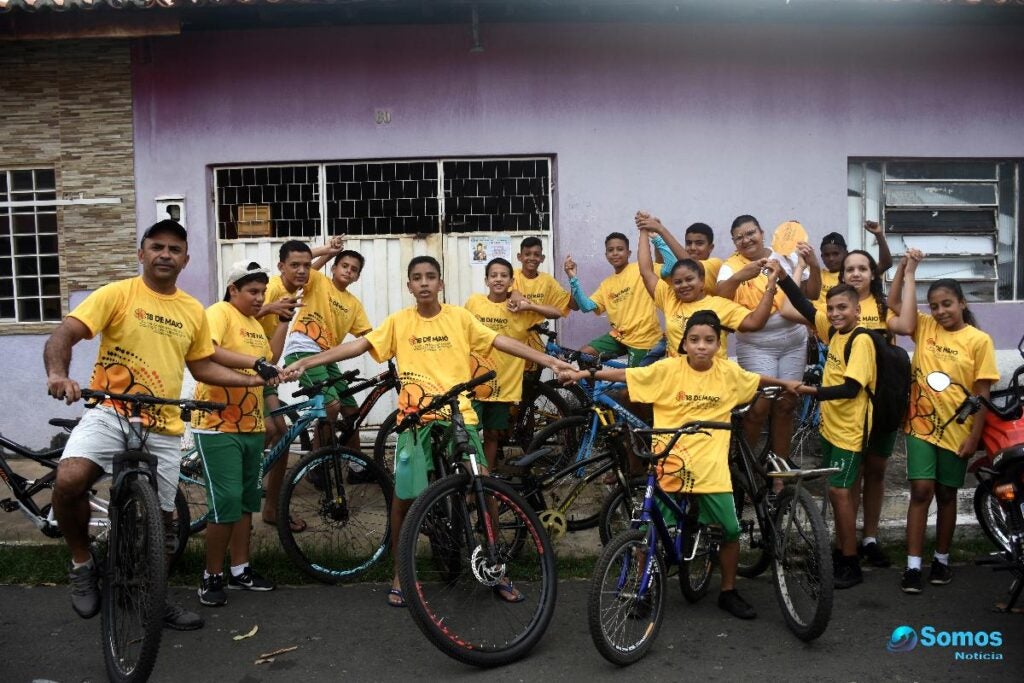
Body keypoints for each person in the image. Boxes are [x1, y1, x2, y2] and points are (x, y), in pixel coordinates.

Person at [284, 255, 573, 607]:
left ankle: (497, 568)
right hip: (414, 418)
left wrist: (550, 361)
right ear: (409, 286)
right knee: (404, 500)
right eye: (417, 278)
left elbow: (500, 341)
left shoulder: (459, 318)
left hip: (459, 414)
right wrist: (307, 361)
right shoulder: (398, 322)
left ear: (440, 284)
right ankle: (400, 572)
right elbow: (358, 345)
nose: (423, 283)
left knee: (484, 484)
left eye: (430, 277)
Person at [44, 220, 275, 630]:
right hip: (110, 409)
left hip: (164, 424)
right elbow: (65, 334)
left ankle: (151, 599)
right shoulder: (117, 294)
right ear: (141, 253)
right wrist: (59, 374)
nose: (165, 254)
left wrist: (251, 380)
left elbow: (202, 364)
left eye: (174, 249)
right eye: (157, 247)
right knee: (68, 480)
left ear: (185, 259)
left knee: (164, 527)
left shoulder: (190, 309)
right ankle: (81, 563)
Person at [558, 311, 801, 619]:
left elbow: (758, 380)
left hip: (712, 466)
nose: (701, 346)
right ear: (684, 343)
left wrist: (787, 384)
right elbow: (627, 376)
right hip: (669, 463)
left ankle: (728, 590)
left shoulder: (728, 372)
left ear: (718, 344)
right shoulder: (667, 369)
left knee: (728, 529)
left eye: (709, 341)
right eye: (695, 340)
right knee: (649, 533)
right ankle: (642, 590)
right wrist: (585, 375)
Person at [779, 273, 918, 588]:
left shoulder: (863, 339)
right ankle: (842, 551)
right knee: (837, 490)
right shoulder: (833, 332)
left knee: (842, 493)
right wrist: (781, 275)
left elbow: (851, 387)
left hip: (851, 431)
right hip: (832, 427)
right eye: (831, 308)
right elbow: (802, 304)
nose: (835, 313)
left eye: (842, 307)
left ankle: (850, 563)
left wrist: (808, 391)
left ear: (857, 310)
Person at [888, 259, 999, 594]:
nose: (939, 311)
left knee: (946, 493)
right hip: (920, 425)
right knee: (921, 491)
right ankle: (912, 566)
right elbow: (893, 304)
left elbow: (982, 394)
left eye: (947, 304)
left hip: (958, 431)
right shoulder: (923, 326)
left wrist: (974, 436)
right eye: (934, 305)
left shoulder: (979, 341)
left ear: (962, 303)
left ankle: (942, 560)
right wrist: (905, 271)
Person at [194, 261, 288, 607]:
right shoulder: (219, 312)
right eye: (252, 291)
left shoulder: (252, 324)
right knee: (228, 501)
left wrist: (282, 322)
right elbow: (207, 350)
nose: (259, 297)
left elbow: (269, 357)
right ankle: (211, 574)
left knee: (248, 499)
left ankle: (240, 569)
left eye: (263, 291)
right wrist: (254, 365)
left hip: (250, 424)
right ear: (233, 290)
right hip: (217, 425)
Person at [257, 237, 351, 531]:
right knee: (273, 430)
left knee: (283, 437)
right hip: (244, 366)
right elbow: (235, 311)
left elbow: (306, 267)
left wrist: (328, 251)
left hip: (267, 367)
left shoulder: (299, 285)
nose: (301, 270)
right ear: (280, 266)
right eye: (293, 265)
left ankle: (271, 508)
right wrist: (271, 307)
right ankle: (238, 479)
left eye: (305, 266)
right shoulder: (271, 287)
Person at [716, 216, 821, 464]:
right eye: (739, 237)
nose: (746, 239)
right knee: (760, 407)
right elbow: (720, 296)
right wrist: (741, 276)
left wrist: (814, 266)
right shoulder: (731, 266)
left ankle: (779, 471)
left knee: (786, 404)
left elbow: (812, 293)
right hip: (756, 346)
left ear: (762, 232)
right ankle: (745, 466)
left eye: (750, 233)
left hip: (793, 343)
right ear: (734, 242)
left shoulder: (786, 255)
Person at [465, 258, 564, 469]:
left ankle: (488, 478)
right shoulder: (474, 302)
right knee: (467, 433)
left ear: (511, 281)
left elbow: (558, 312)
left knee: (493, 434)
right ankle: (467, 478)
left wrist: (528, 304)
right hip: (474, 382)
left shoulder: (520, 309)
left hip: (504, 385)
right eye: (493, 275)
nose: (498, 279)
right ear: (486, 280)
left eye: (503, 276)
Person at [635, 219, 777, 360]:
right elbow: (646, 271)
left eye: (690, 279)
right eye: (677, 282)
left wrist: (770, 288)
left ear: (702, 281)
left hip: (713, 378)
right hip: (678, 378)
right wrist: (643, 229)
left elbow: (754, 322)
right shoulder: (669, 298)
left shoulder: (718, 304)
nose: (684, 285)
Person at [564, 232, 662, 366]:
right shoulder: (606, 284)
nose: (615, 253)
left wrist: (656, 238)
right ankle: (591, 386)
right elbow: (586, 306)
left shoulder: (641, 269)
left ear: (629, 253)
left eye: (620, 249)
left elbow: (662, 265)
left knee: (633, 383)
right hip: (620, 337)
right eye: (611, 250)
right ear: (606, 256)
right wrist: (573, 278)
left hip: (643, 339)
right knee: (584, 355)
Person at [508, 236, 571, 365]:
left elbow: (558, 312)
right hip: (510, 339)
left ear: (542, 259)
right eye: (527, 254)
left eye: (536, 255)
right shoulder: (511, 275)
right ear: (519, 257)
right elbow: (513, 296)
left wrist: (531, 306)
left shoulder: (547, 281)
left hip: (534, 342)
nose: (531, 258)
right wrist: (516, 294)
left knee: (531, 381)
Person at [638, 214, 722, 296]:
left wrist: (661, 229)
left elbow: (692, 265)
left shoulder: (716, 264)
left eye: (699, 243)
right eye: (688, 243)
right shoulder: (679, 269)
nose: (692, 247)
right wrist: (657, 237)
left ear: (711, 247)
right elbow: (660, 267)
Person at [815, 223, 892, 310]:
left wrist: (879, 235)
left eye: (836, 254)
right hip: (820, 319)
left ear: (846, 253)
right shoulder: (816, 276)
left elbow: (886, 263)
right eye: (826, 255)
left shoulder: (857, 275)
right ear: (822, 257)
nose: (831, 258)